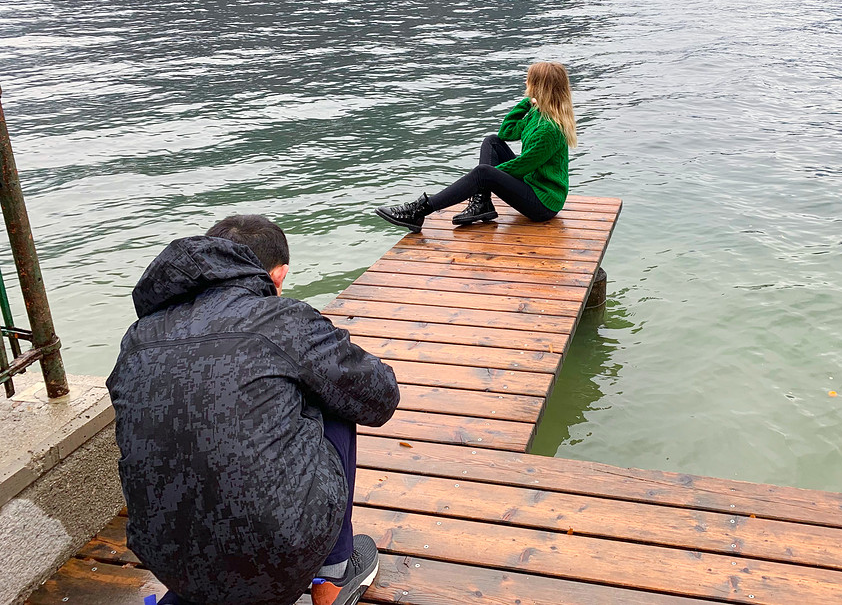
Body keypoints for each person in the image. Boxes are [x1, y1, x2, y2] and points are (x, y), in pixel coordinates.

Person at [106, 214, 399, 605]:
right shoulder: (283, 318)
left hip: (162, 556)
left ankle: (195, 589)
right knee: (336, 389)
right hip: (281, 555)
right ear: (278, 276)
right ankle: (334, 575)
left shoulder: (138, 336)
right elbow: (380, 397)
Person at [376, 61, 578, 232]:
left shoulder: (549, 130)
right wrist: (526, 103)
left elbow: (521, 167)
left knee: (483, 173)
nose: (525, 82)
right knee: (491, 142)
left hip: (544, 203)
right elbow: (506, 133)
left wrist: (483, 179)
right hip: (532, 185)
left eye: (529, 80)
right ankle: (482, 203)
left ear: (538, 86)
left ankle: (419, 211)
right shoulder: (537, 112)